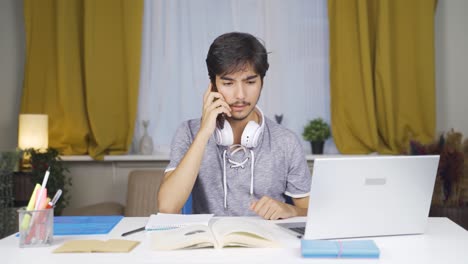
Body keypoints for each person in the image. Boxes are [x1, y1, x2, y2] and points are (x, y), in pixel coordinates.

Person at [158, 32, 311, 220]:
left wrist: (292, 210)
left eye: (250, 82)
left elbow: (311, 213)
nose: (240, 95)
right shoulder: (188, 132)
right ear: (213, 86)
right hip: (209, 246)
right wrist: (204, 133)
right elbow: (167, 207)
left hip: (267, 246)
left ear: (262, 82)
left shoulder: (286, 142)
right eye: (228, 83)